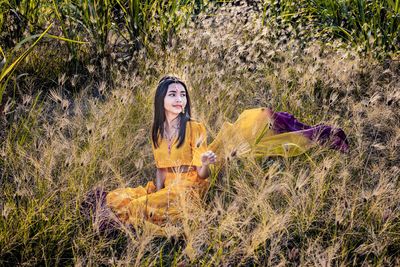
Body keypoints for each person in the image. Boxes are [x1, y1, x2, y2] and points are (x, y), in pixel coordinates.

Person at [106, 75, 349, 227]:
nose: (179, 99)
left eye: (182, 94)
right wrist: (157, 193)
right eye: (173, 94)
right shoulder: (156, 132)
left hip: (190, 185)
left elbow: (203, 176)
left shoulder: (194, 127)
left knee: (137, 209)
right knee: (127, 200)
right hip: (169, 186)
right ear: (161, 101)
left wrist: (205, 162)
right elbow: (160, 169)